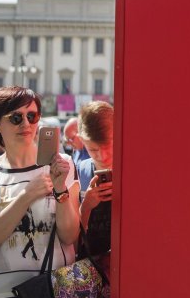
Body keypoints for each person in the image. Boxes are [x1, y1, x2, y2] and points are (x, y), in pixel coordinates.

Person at [0, 87, 80, 298]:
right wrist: (26, 196)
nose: (26, 124)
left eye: (32, 116)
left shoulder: (61, 165)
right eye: (16, 118)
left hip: (55, 289)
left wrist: (60, 189)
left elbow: (70, 235)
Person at [76, 101, 113, 261]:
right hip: (89, 265)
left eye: (109, 146)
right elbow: (71, 238)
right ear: (81, 141)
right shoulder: (78, 172)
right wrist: (86, 207)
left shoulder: (134, 172)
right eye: (93, 149)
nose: (102, 156)